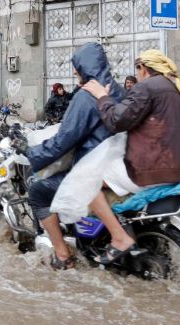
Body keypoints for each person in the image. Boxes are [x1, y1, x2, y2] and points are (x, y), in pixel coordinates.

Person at [76, 49, 180, 265]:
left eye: (138, 69)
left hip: (157, 168)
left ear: (143, 69)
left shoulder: (147, 87)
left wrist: (101, 96)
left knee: (86, 180)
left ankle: (119, 238)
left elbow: (117, 120)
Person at [12, 42, 125, 270]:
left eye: (77, 66)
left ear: (85, 67)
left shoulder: (86, 96)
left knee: (38, 192)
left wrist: (33, 154)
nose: (74, 71)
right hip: (118, 167)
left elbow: (65, 139)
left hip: (94, 168)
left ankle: (63, 256)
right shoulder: (119, 90)